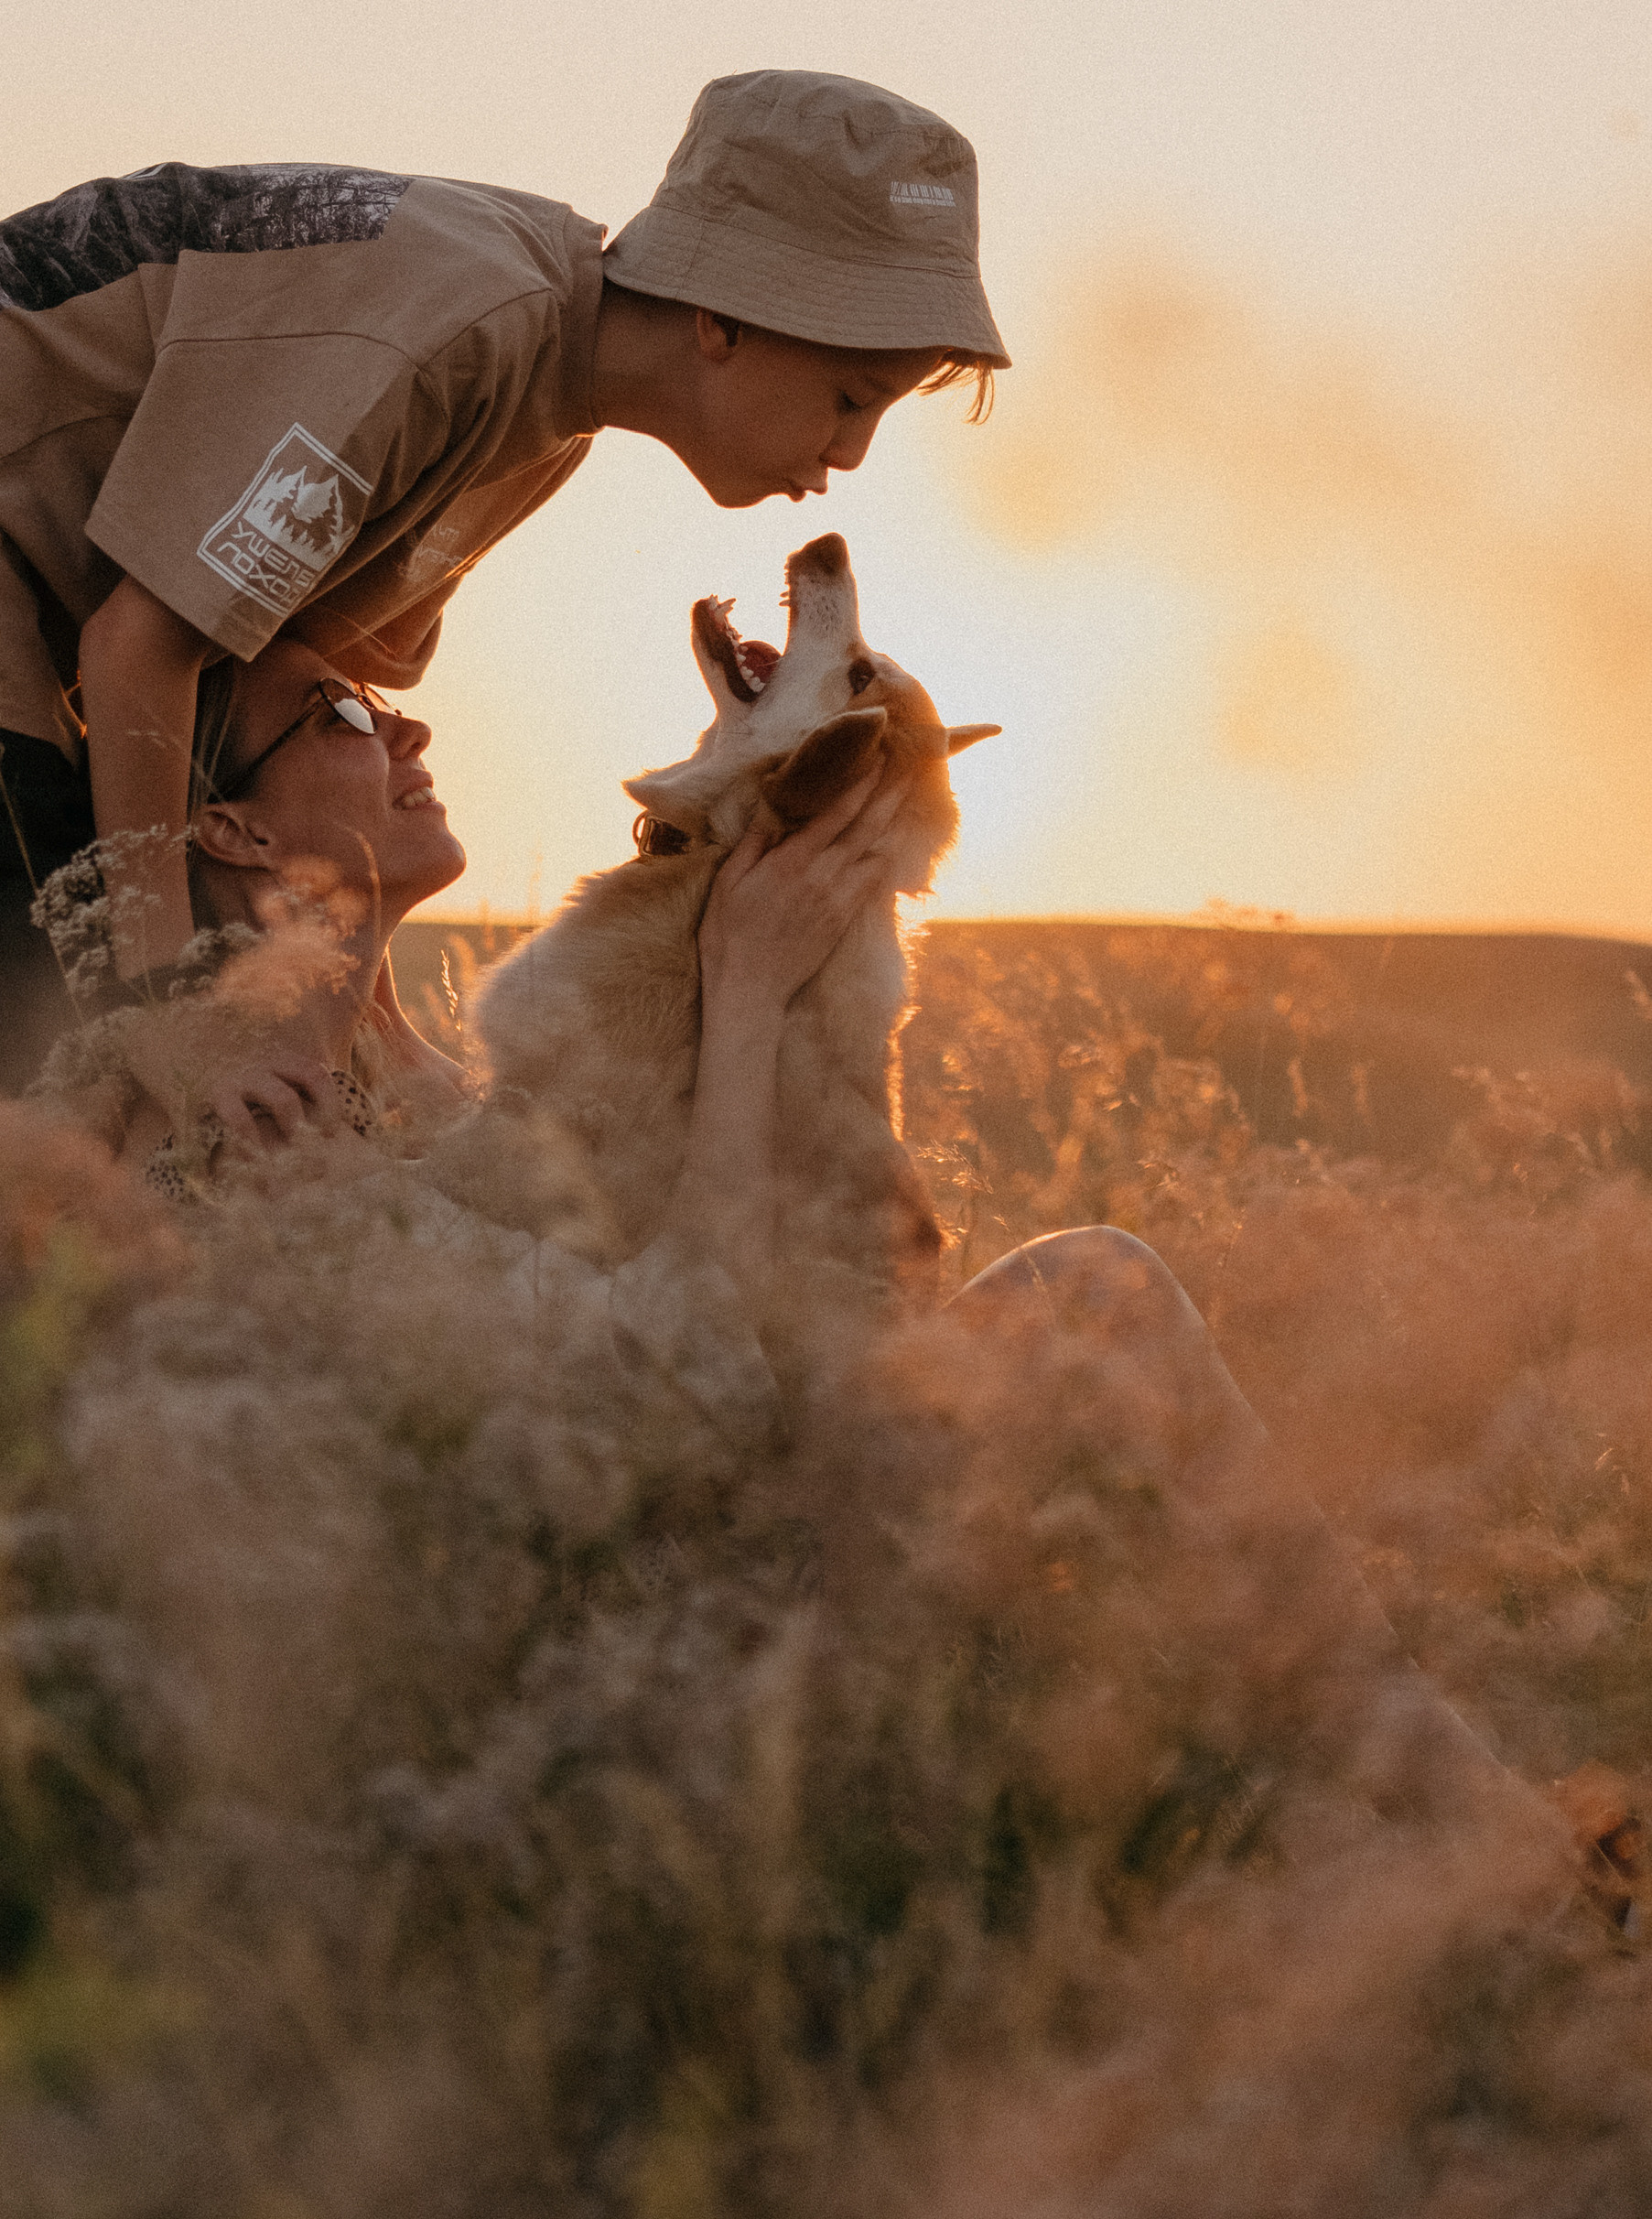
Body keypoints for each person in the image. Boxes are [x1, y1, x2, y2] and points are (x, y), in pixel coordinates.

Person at [122, 629, 1621, 1914]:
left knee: (1090, 1329)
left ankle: (1410, 1842)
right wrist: (753, 986)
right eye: (339, 716)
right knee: (1098, 1294)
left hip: (761, 1481)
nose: (406, 724)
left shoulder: (428, 1065)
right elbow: (669, 1367)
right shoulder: (275, 1128)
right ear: (237, 836)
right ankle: (1455, 1855)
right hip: (666, 1597)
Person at [0, 70, 1008, 1095]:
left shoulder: (539, 407)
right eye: (847, 396)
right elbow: (143, 650)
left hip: (24, 592)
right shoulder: (449, 336)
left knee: (147, 1073)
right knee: (49, 1064)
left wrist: (364, 1021)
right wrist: (166, 1003)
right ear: (723, 313)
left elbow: (279, 679)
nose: (848, 453)